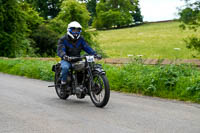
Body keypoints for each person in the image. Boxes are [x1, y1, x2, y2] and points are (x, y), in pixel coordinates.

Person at [57, 21, 101, 89]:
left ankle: (83, 83)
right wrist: (64, 56)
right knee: (65, 68)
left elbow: (87, 47)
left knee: (86, 67)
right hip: (67, 60)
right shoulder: (63, 39)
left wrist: (95, 54)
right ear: (69, 30)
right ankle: (63, 83)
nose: (76, 32)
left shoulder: (81, 39)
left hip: (77, 59)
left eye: (78, 30)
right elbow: (60, 50)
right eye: (74, 30)